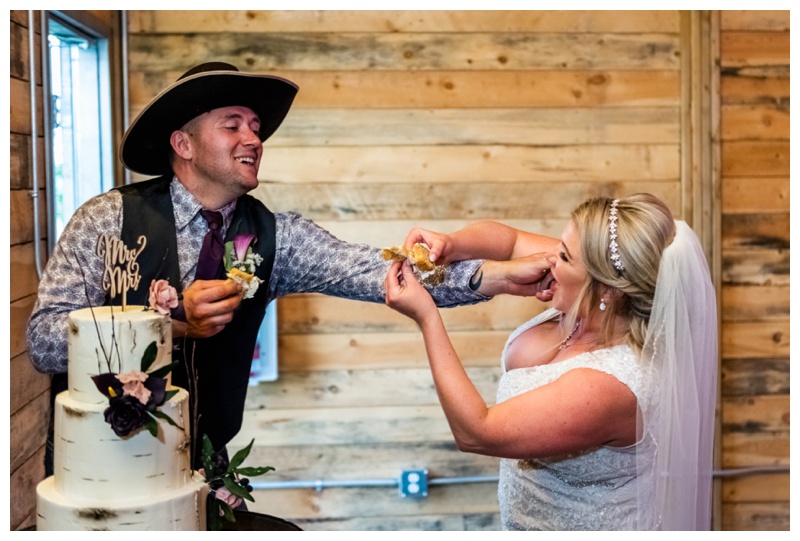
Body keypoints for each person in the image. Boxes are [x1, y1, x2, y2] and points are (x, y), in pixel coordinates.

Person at [26, 62, 520, 468]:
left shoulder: (277, 237)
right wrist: (167, 326)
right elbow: (44, 342)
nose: (254, 138)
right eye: (233, 125)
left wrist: (497, 276)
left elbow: (380, 272)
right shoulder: (107, 218)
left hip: (206, 468)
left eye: (256, 128)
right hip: (95, 470)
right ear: (183, 145)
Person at [385, 193, 718, 530]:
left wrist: (427, 318)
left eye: (563, 256)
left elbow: (477, 433)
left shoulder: (611, 385)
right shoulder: (592, 272)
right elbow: (510, 240)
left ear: (607, 290)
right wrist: (454, 243)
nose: (548, 259)